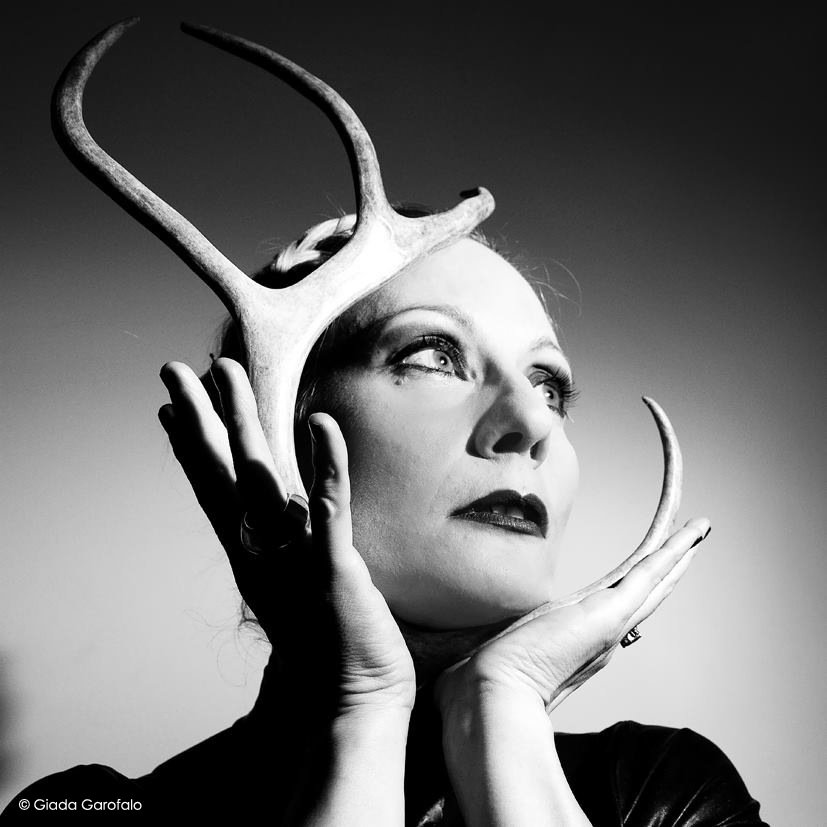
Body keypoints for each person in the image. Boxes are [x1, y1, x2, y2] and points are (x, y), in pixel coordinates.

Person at [2, 213, 768, 825]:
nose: (532, 420)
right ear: (271, 426)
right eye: (432, 354)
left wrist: (501, 705)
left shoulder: (663, 795)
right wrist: (359, 703)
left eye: (549, 385)